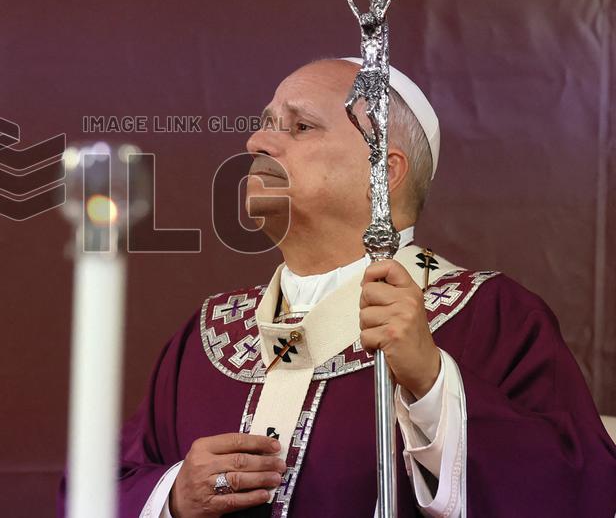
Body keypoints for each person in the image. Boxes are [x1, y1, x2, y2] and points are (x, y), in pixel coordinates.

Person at [58, 58, 616, 517]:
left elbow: (578, 489)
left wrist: (432, 384)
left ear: (385, 172)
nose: (256, 140)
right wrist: (175, 497)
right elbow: (101, 487)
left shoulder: (489, 317)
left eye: (300, 127)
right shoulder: (211, 336)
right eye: (265, 122)